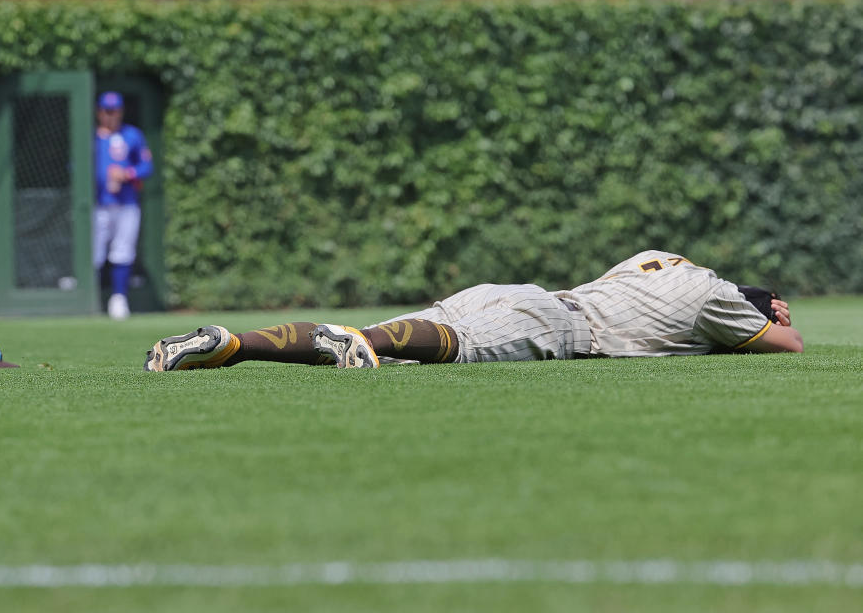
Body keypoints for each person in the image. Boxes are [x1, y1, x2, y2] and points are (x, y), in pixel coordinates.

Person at [143, 250, 803, 371]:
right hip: (553, 325)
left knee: (360, 342)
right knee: (366, 338)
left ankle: (229, 343)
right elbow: (787, 346)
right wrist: (761, 313)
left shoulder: (657, 258)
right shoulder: (714, 295)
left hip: (516, 294)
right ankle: (358, 339)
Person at [93, 91, 153, 321]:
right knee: (94, 253)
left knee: (123, 250)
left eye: (115, 110)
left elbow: (146, 167)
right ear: (99, 112)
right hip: (97, 204)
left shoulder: (132, 135)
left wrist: (127, 173)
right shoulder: (91, 137)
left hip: (126, 203)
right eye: (107, 111)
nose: (111, 115)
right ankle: (93, 299)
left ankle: (119, 298)